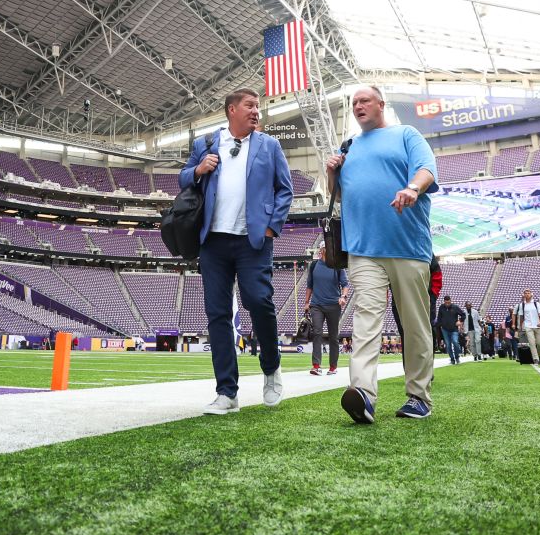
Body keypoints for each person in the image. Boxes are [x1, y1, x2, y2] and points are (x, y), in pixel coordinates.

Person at [327, 85, 440, 422]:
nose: (358, 105)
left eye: (364, 100)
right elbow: (336, 194)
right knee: (365, 321)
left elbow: (426, 171)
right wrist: (331, 172)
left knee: (415, 324)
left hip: (407, 246)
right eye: (353, 102)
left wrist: (412, 188)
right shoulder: (347, 147)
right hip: (363, 249)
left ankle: (418, 396)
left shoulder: (406, 134)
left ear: (381, 104)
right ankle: (362, 393)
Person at [179, 88, 294, 414]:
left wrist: (272, 227)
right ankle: (227, 392)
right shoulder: (206, 144)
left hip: (253, 240)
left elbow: (285, 190)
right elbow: (182, 178)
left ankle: (271, 368)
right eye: (250, 105)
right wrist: (199, 170)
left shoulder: (270, 146)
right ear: (232, 109)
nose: (256, 111)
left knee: (259, 302)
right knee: (217, 314)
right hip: (213, 241)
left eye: (258, 106)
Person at [305, 244, 351, 376]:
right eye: (326, 249)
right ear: (323, 250)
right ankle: (316, 366)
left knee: (333, 336)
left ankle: (333, 366)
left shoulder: (338, 266)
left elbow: (345, 284)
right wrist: (306, 302)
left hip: (333, 305)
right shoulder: (314, 266)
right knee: (317, 333)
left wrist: (343, 296)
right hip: (317, 305)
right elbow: (309, 286)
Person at [513, 290, 540, 364]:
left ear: (531, 295)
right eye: (526, 293)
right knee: (531, 343)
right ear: (524, 295)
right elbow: (521, 316)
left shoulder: (536, 304)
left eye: (528, 293)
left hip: (537, 325)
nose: (527, 294)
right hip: (528, 326)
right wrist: (520, 326)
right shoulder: (522, 305)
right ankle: (535, 359)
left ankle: (539, 355)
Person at [437, 295, 465, 365]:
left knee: (455, 342)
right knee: (448, 345)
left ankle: (457, 357)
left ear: (450, 301)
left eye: (448, 303)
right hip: (444, 329)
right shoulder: (441, 307)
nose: (447, 304)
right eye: (446, 303)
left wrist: (460, 321)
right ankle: (452, 359)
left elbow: (463, 315)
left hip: (454, 329)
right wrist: (440, 326)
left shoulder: (455, 307)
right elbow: (439, 318)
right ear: (444, 302)